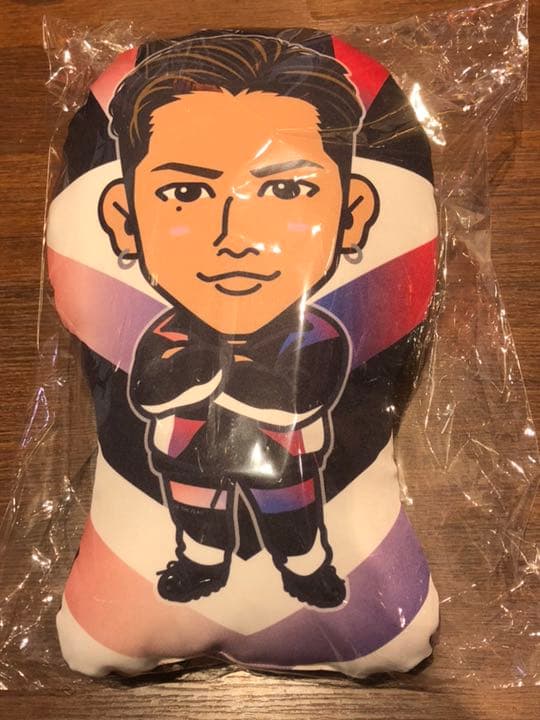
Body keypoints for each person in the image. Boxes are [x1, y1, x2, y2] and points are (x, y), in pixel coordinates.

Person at [98, 33, 379, 608]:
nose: (235, 238)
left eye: (287, 189)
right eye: (185, 191)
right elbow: (150, 392)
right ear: (125, 222)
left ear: (351, 215)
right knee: (195, 516)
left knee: (292, 520)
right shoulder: (168, 331)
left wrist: (208, 373)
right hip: (185, 454)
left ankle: (306, 566)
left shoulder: (314, 333)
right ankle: (200, 563)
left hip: (284, 460)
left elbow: (291, 398)